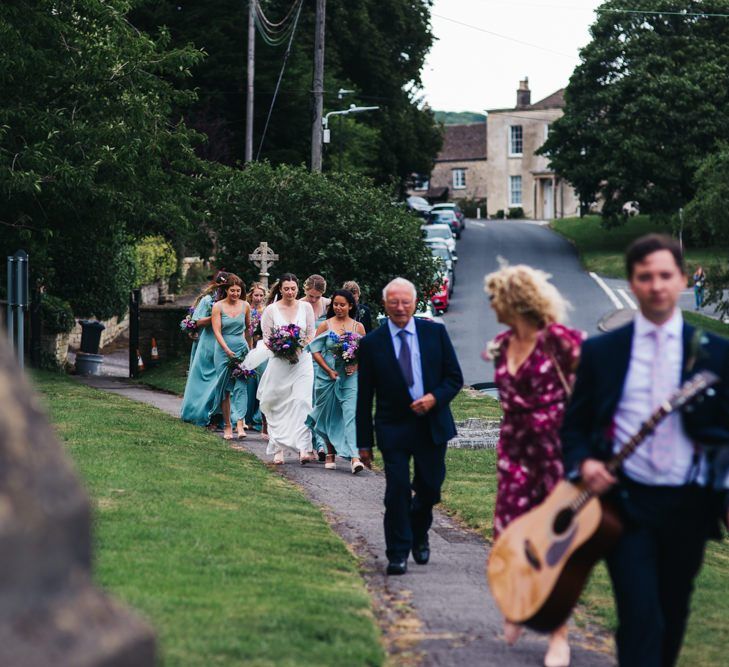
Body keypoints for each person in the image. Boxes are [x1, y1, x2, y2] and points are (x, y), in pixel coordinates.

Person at [561, 234, 729, 667]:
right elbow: (575, 426)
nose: (656, 285)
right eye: (645, 277)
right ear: (632, 284)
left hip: (689, 505)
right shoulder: (602, 352)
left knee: (672, 616)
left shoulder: (715, 354)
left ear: (682, 279)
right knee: (640, 617)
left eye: (665, 275)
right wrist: (586, 463)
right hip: (625, 505)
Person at [484, 264, 584, 667]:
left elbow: (593, 391)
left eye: (495, 297)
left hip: (555, 455)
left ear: (514, 300)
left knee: (554, 544)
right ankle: (519, 605)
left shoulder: (561, 341)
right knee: (507, 536)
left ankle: (559, 635)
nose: (491, 305)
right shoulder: (502, 342)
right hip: (515, 453)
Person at [356, 277, 463, 575]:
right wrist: (363, 442)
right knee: (397, 490)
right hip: (393, 427)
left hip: (432, 425)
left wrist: (434, 399)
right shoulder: (372, 343)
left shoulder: (434, 333)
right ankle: (398, 553)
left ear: (415, 303)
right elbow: (364, 396)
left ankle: (419, 530)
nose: (400, 308)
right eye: (394, 302)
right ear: (385, 305)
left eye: (405, 302)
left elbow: (454, 378)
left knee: (429, 489)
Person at [258, 273, 316, 464]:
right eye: (286, 289)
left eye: (293, 289)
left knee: (302, 402)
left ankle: (304, 448)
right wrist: (281, 349)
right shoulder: (271, 310)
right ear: (280, 289)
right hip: (279, 361)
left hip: (302, 361)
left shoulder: (306, 307)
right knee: (278, 404)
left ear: (298, 289)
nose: (290, 292)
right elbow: (266, 338)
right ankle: (277, 448)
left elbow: (311, 333)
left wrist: (299, 348)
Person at [307, 289, 367, 474]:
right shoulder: (326, 325)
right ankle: (330, 452)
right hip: (328, 376)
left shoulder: (358, 327)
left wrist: (356, 365)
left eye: (342, 304)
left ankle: (355, 457)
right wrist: (328, 370)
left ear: (350, 306)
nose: (338, 308)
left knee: (350, 414)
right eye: (335, 304)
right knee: (327, 414)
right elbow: (315, 350)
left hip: (350, 377)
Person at [180, 271, 229, 426]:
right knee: (203, 380)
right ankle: (198, 412)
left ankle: (217, 416)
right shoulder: (208, 300)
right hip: (208, 342)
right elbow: (197, 321)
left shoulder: (233, 301)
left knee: (220, 381)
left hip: (226, 343)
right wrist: (214, 316)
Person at [209, 274, 252, 441]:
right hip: (223, 350)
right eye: (232, 290)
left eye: (238, 291)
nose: (235, 294)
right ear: (226, 290)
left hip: (241, 349)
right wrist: (226, 349)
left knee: (241, 386)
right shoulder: (218, 307)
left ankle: (240, 423)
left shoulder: (245, 305)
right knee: (226, 389)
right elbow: (217, 331)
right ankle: (227, 425)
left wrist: (251, 350)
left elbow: (249, 329)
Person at [301, 274, 330, 459]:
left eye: (317, 297)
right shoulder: (299, 305)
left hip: (325, 358)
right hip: (305, 358)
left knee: (322, 400)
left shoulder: (329, 304)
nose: (313, 300)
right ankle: (313, 443)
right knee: (309, 400)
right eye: (310, 296)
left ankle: (321, 443)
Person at [244, 282, 267, 431]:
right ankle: (247, 417)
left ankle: (259, 417)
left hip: (262, 349)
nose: (258, 298)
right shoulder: (246, 309)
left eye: (261, 295)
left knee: (261, 382)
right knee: (249, 385)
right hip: (248, 347)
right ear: (251, 295)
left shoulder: (266, 311)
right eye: (256, 295)